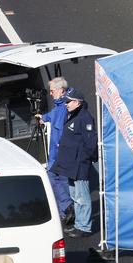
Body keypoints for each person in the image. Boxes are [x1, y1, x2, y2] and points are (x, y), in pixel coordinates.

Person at [50, 89, 98, 238]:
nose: (66, 104)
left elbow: (90, 142)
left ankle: (84, 227)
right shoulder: (73, 115)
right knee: (75, 196)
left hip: (79, 165)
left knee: (82, 196)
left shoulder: (85, 118)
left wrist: (85, 159)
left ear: (77, 102)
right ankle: (79, 224)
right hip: (70, 164)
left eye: (69, 102)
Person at [38, 77, 74, 225]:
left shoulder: (66, 106)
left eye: (52, 91)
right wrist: (43, 117)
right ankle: (65, 211)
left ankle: (67, 209)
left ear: (60, 90)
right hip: (56, 153)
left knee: (58, 180)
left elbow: (60, 125)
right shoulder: (59, 106)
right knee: (55, 179)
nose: (50, 94)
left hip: (61, 152)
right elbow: (52, 115)